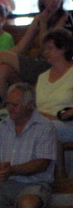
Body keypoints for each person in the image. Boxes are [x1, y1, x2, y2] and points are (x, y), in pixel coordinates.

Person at [0, 0, 68, 102]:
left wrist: (43, 24)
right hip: (38, 64)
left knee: (2, 56)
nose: (55, 0)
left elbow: (47, 49)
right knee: (2, 69)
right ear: (42, 0)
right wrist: (1, 56)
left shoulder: (64, 18)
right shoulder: (40, 18)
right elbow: (21, 46)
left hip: (51, 65)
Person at [35, 28, 73, 174]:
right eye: (44, 49)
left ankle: (60, 176)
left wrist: (55, 117)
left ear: (63, 48)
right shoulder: (42, 77)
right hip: (42, 122)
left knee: (49, 127)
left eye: (49, 48)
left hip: (67, 123)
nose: (45, 52)